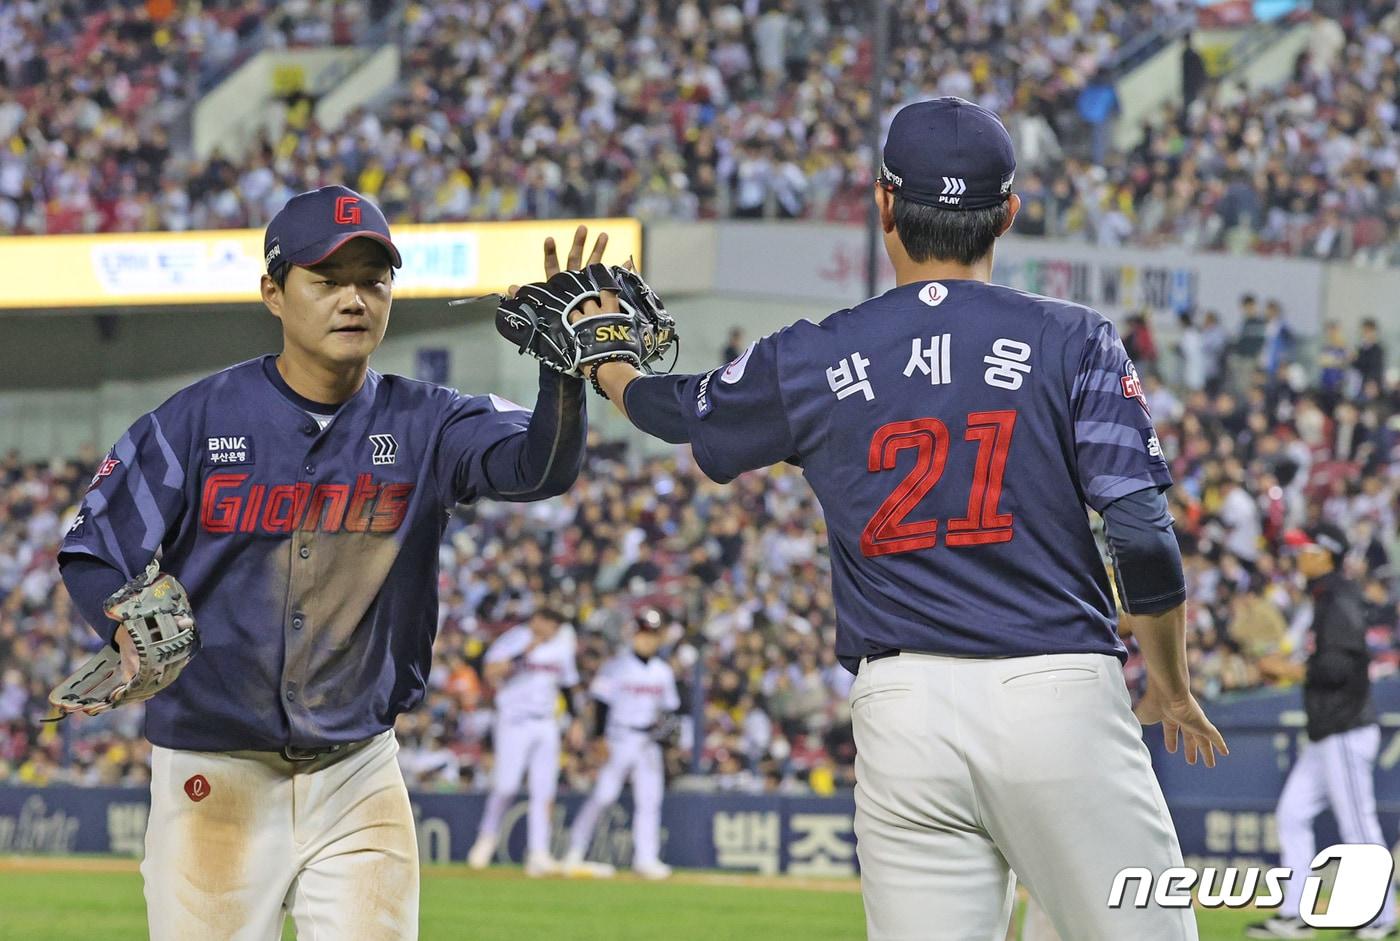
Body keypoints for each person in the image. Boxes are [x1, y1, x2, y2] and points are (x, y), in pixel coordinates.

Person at [546, 97, 1226, 939]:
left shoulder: (814, 352)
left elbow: (680, 412)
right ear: (1008, 213)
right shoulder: (1073, 339)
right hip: (1054, 691)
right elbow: (1143, 537)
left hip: (900, 709)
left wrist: (608, 363)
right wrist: (1170, 682)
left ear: (882, 206)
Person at [55, 186, 597, 939]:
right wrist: (120, 625)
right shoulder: (198, 419)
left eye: (372, 280)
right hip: (215, 769)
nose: (354, 299)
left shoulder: (428, 418)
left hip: (358, 769)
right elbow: (93, 548)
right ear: (273, 292)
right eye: (327, 278)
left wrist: (562, 380)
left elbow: (539, 468)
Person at [1249, 526, 1397, 940]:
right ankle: (1296, 912)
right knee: (1292, 814)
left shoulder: (1339, 596)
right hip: (1326, 731)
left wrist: (1292, 669)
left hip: (1345, 728)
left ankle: (1381, 916)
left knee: (1358, 826)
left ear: (1326, 554)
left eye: (1307, 549)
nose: (1300, 556)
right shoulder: (1323, 596)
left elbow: (1344, 665)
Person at [563, 609, 680, 880]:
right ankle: (575, 850)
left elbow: (670, 710)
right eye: (643, 633)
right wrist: (600, 738)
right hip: (619, 737)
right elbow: (602, 704)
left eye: (652, 634)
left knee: (650, 800)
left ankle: (646, 858)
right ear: (634, 634)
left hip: (648, 742)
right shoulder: (617, 666)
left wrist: (667, 736)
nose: (647, 640)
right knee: (604, 795)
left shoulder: (663, 671)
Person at [468, 607, 584, 877]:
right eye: (550, 621)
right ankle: (486, 837)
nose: (553, 627)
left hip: (546, 722)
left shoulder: (561, 647)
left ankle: (539, 853)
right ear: (536, 619)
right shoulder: (515, 638)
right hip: (514, 721)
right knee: (506, 785)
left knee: (544, 791)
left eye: (557, 623)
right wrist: (522, 655)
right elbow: (490, 672)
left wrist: (576, 720)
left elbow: (568, 686)